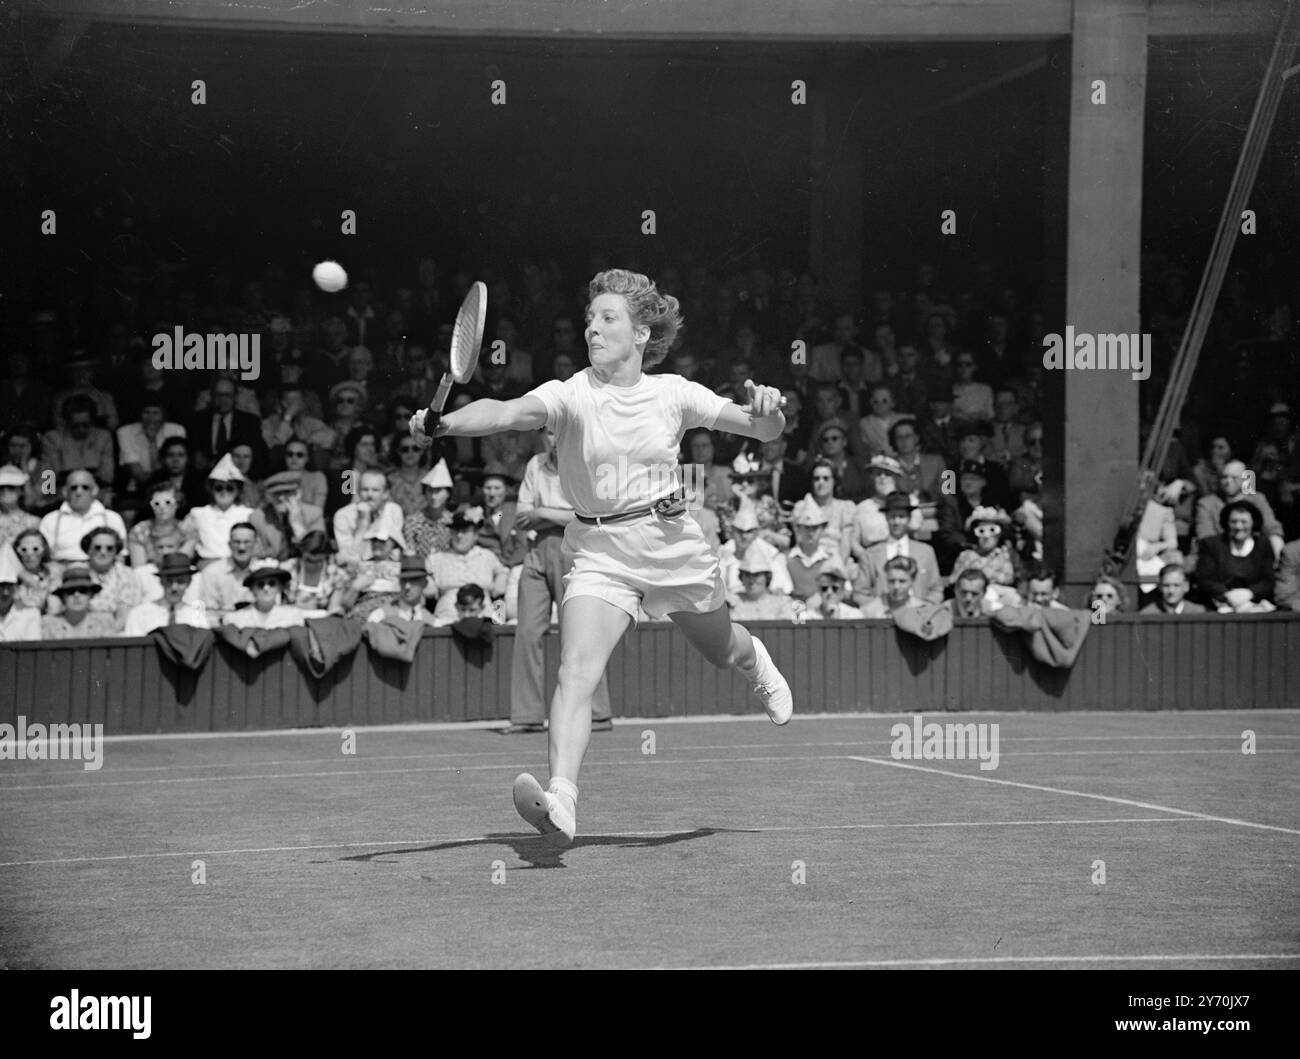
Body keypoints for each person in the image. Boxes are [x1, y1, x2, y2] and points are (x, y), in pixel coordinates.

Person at [411, 267, 793, 847]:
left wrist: (767, 408)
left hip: (671, 547)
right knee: (575, 672)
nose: (593, 327)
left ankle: (754, 660)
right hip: (597, 551)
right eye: (590, 318)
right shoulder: (569, 394)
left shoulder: (674, 393)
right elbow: (506, 411)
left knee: (721, 649)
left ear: (641, 334)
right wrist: (446, 423)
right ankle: (562, 799)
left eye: (608, 318)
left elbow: (763, 431)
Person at [508, 432, 613, 735]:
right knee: (527, 632)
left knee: (580, 635)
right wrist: (555, 516)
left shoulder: (584, 464)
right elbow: (520, 516)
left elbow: (586, 516)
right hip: (537, 552)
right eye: (550, 432)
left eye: (560, 431)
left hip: (574, 551)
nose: (555, 438)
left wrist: (541, 512)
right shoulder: (534, 464)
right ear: (542, 437)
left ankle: (597, 713)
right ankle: (526, 715)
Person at [852, 492, 943, 606]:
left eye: (901, 516)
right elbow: (860, 593)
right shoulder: (871, 555)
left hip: (918, 617)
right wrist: (878, 610)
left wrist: (923, 608)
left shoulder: (926, 552)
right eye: (892, 517)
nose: (896, 522)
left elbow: (936, 589)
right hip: (882, 618)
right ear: (886, 518)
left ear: (909, 518)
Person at [1194, 500, 1276, 613]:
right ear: (1226, 522)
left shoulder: (1263, 544)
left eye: (1244, 522)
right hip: (1218, 605)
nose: (1238, 526)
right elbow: (1204, 579)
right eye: (1234, 521)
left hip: (1255, 605)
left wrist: (1249, 593)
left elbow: (1268, 580)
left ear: (1253, 523)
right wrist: (1228, 595)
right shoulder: (1211, 544)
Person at [38, 469, 127, 563]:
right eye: (73, 488)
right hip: (61, 571)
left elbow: (120, 557)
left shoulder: (112, 518)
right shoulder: (50, 519)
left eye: (85, 487)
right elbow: (42, 556)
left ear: (95, 490)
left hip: (102, 571)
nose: (79, 492)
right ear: (65, 491)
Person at [123, 553, 210, 635]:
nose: (174, 588)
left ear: (189, 582)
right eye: (169, 581)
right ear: (161, 581)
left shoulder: (196, 614)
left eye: (180, 581)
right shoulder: (140, 614)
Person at [41, 566, 117, 639]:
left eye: (83, 590)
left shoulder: (104, 622)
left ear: (91, 595)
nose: (76, 595)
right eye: (71, 591)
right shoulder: (48, 624)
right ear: (62, 596)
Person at [224, 564, 305, 631]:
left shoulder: (293, 616)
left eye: (272, 583)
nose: (266, 588)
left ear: (280, 587)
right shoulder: (236, 618)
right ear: (252, 589)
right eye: (260, 584)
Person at [366, 554, 438, 626]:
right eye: (404, 580)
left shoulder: (432, 622)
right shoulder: (378, 617)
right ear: (399, 582)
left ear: (425, 583)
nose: (407, 586)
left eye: (414, 580)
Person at [730, 545, 795, 621]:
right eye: (747, 575)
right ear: (741, 577)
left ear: (766, 577)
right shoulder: (732, 603)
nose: (751, 580)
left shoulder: (783, 603)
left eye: (756, 575)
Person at [802, 553, 863, 620]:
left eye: (835, 588)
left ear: (842, 591)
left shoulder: (855, 616)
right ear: (819, 591)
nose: (829, 592)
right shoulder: (807, 618)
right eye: (824, 588)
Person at [1139, 563, 1205, 616]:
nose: (1171, 591)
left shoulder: (1199, 613)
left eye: (1176, 585)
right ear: (1160, 587)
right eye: (1166, 585)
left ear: (1186, 586)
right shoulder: (1147, 615)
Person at [0, 464, 39, 551]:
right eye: (1, 487)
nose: (5, 492)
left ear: (20, 490)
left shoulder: (34, 523)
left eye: (11, 487)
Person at [0, 562, 41, 641]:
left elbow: (32, 649)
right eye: (1, 586)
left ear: (16, 588)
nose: (5, 592)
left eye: (9, 586)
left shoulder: (31, 614)